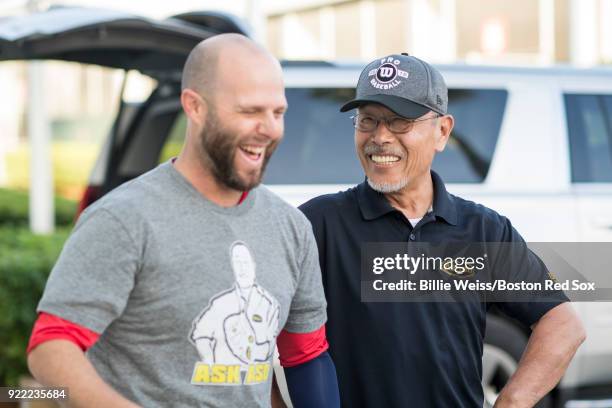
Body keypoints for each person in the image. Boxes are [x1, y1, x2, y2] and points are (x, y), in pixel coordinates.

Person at [26, 34, 339, 408]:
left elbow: (305, 354)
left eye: (278, 112)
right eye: (250, 111)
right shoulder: (124, 218)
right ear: (195, 107)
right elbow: (50, 350)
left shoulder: (291, 227)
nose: (270, 128)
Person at [299, 53, 586, 407]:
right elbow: (253, 327)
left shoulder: (483, 229)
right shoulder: (317, 224)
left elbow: (562, 323)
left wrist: (512, 401)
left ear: (443, 131)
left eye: (400, 122)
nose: (380, 137)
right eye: (368, 121)